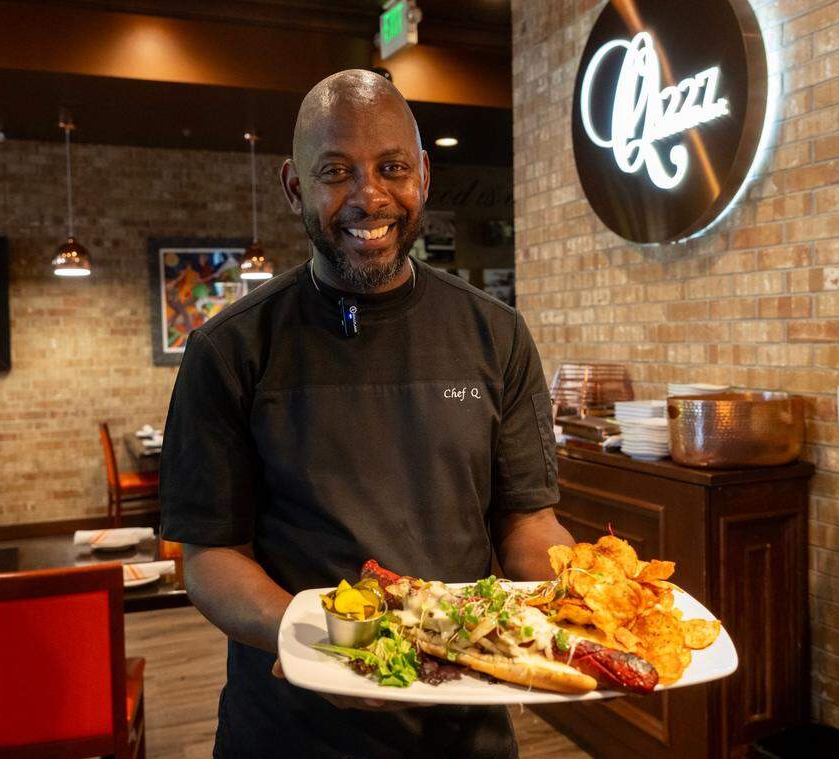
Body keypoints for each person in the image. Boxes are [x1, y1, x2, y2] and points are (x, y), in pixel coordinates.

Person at [160, 69, 574, 758]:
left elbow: (528, 520)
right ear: (295, 186)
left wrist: (583, 600)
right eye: (336, 172)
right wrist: (315, 637)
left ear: (424, 176)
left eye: (392, 168)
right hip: (292, 730)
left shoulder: (495, 333)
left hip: (463, 726)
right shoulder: (229, 349)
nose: (369, 196)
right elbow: (209, 555)